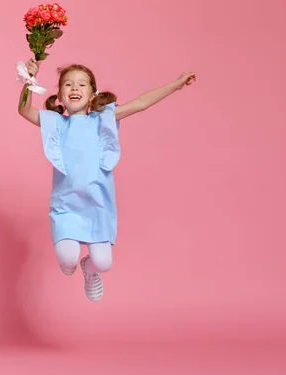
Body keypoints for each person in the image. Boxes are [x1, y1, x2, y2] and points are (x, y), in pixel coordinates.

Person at [18, 57, 195, 302]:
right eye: (68, 84)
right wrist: (28, 80)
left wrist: (175, 85)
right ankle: (71, 261)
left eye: (82, 84)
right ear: (59, 93)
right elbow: (24, 110)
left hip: (98, 208)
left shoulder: (103, 120)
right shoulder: (55, 123)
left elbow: (141, 103)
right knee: (67, 258)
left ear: (93, 94)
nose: (75, 88)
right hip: (66, 209)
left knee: (103, 263)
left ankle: (89, 270)